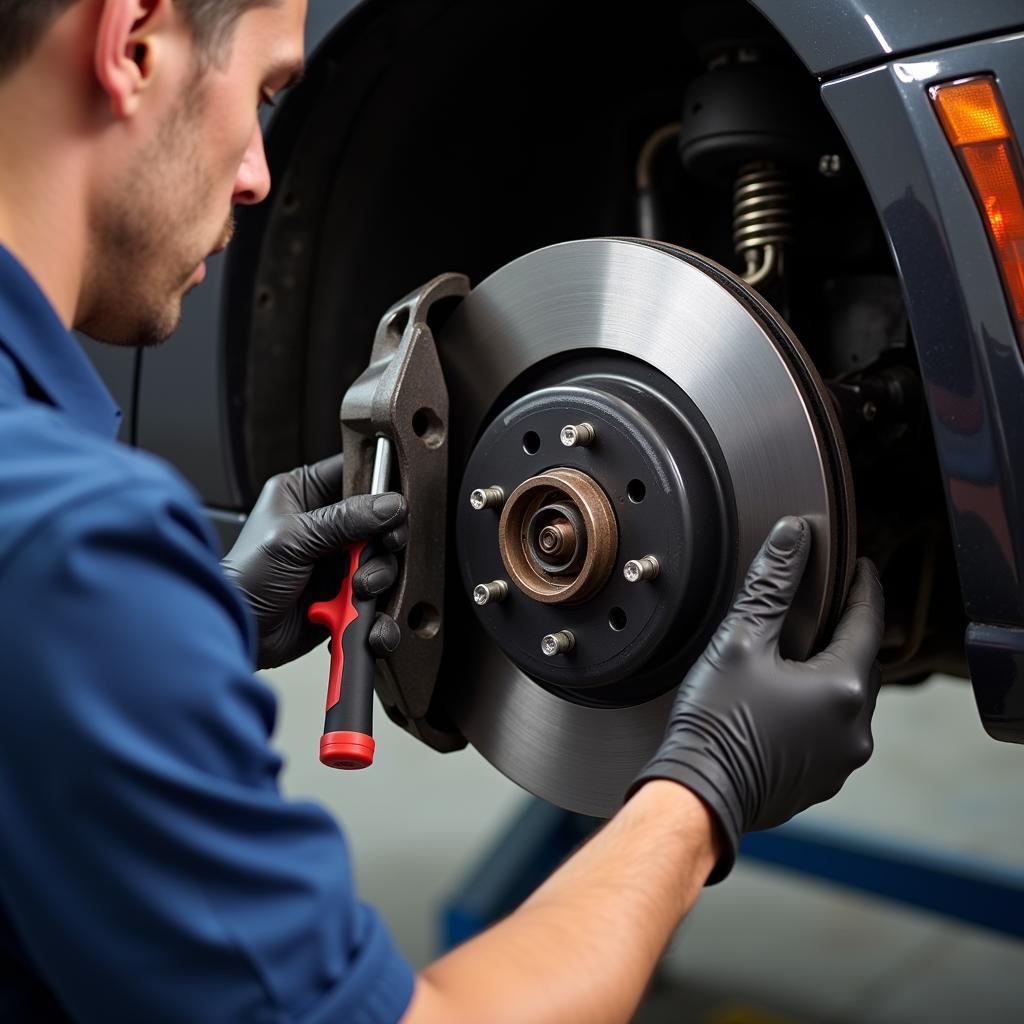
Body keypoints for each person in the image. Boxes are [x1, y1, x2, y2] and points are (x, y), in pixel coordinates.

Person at [0, 1, 885, 1021]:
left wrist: (200, 617)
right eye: (263, 96)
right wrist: (704, 788)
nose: (255, 174)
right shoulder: (70, 545)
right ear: (135, 42)